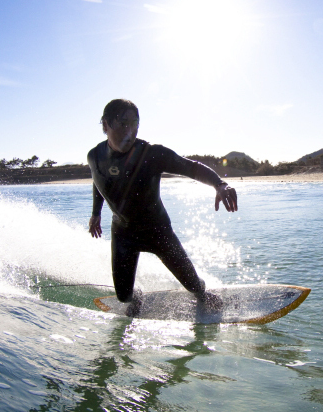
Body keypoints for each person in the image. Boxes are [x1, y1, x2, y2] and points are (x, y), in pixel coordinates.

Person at [87, 99, 238, 316]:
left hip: (158, 231)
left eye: (135, 123)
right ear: (105, 126)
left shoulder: (151, 154)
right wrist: (95, 213)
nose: (130, 130)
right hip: (123, 233)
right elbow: (98, 179)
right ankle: (137, 297)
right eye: (122, 123)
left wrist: (219, 183)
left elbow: (190, 167)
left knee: (193, 284)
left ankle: (202, 295)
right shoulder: (95, 156)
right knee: (123, 297)